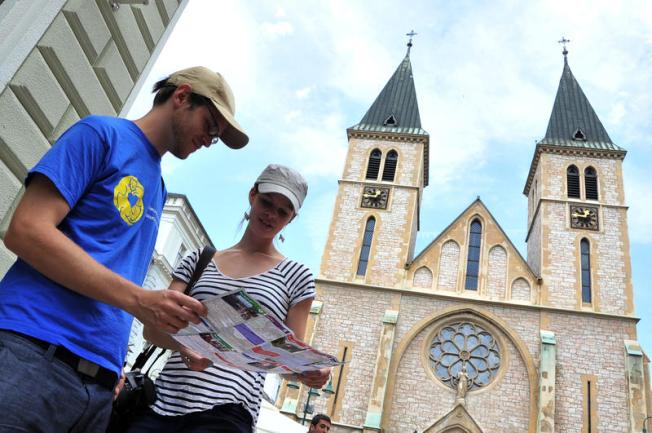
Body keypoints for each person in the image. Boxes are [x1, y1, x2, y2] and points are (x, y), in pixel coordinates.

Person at [0, 66, 248, 432]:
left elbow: (119, 285)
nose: (209, 140)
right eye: (210, 125)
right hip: (32, 355)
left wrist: (184, 343)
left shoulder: (158, 187)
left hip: (98, 390)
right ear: (181, 97)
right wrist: (139, 299)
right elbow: (25, 230)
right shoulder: (100, 134)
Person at [127, 164, 331, 433]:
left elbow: (287, 360)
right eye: (267, 202)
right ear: (252, 195)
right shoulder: (199, 259)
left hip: (229, 412)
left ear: (291, 219)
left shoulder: (296, 276)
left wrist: (312, 373)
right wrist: (186, 348)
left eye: (283, 211)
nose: (271, 215)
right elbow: (153, 329)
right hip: (162, 405)